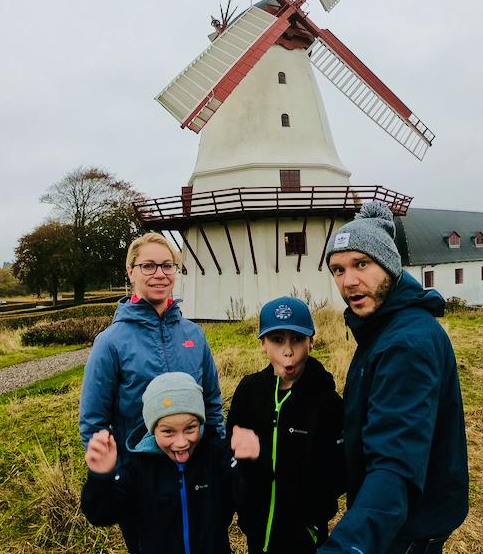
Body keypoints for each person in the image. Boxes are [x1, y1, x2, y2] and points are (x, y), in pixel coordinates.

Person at [318, 201, 469, 554]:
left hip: (405, 528)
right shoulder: (381, 327)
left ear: (389, 264)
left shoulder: (406, 343)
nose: (349, 281)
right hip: (405, 516)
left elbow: (394, 465)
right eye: (337, 270)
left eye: (361, 264)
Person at [79, 233, 227, 548]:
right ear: (131, 271)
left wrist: (218, 461)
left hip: (197, 472)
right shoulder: (111, 342)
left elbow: (212, 402)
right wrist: (120, 476)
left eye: (166, 265)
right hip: (142, 480)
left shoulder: (194, 335)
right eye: (148, 266)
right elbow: (93, 421)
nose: (159, 274)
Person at [82, 372, 261, 553]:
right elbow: (101, 514)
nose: (181, 442)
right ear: (153, 429)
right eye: (168, 432)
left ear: (200, 422)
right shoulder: (135, 465)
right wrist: (101, 477)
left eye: (190, 428)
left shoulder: (215, 454)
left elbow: (248, 499)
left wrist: (248, 463)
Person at [228, 296, 345, 553]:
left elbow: (338, 472)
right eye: (277, 340)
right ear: (263, 344)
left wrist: (312, 516)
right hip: (257, 527)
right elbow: (232, 451)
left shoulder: (327, 403)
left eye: (297, 339)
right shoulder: (249, 392)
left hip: (303, 534)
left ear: (312, 341)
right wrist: (244, 484)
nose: (288, 351)